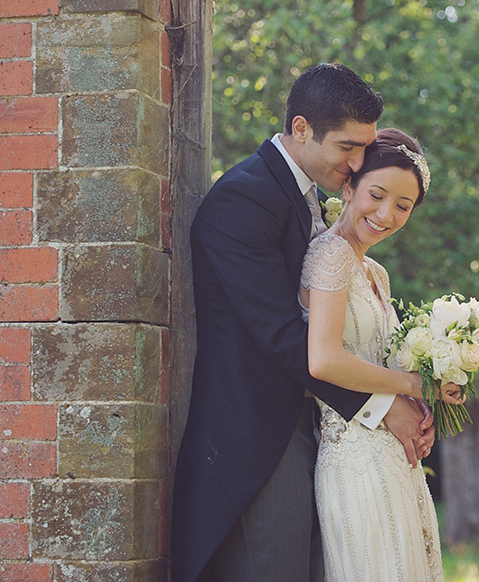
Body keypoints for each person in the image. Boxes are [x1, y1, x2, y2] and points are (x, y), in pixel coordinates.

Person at [171, 65, 436, 582]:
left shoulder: (300, 195)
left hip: (313, 430)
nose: (358, 162)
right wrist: (383, 404)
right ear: (299, 129)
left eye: (364, 147)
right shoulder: (245, 198)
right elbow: (282, 336)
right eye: (347, 147)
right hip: (258, 438)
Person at [299, 128, 459, 581]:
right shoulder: (330, 253)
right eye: (377, 194)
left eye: (403, 206)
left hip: (395, 460)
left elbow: (374, 362)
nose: (386, 214)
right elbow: (323, 360)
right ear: (349, 187)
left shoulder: (376, 273)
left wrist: (424, 407)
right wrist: (413, 385)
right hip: (354, 462)